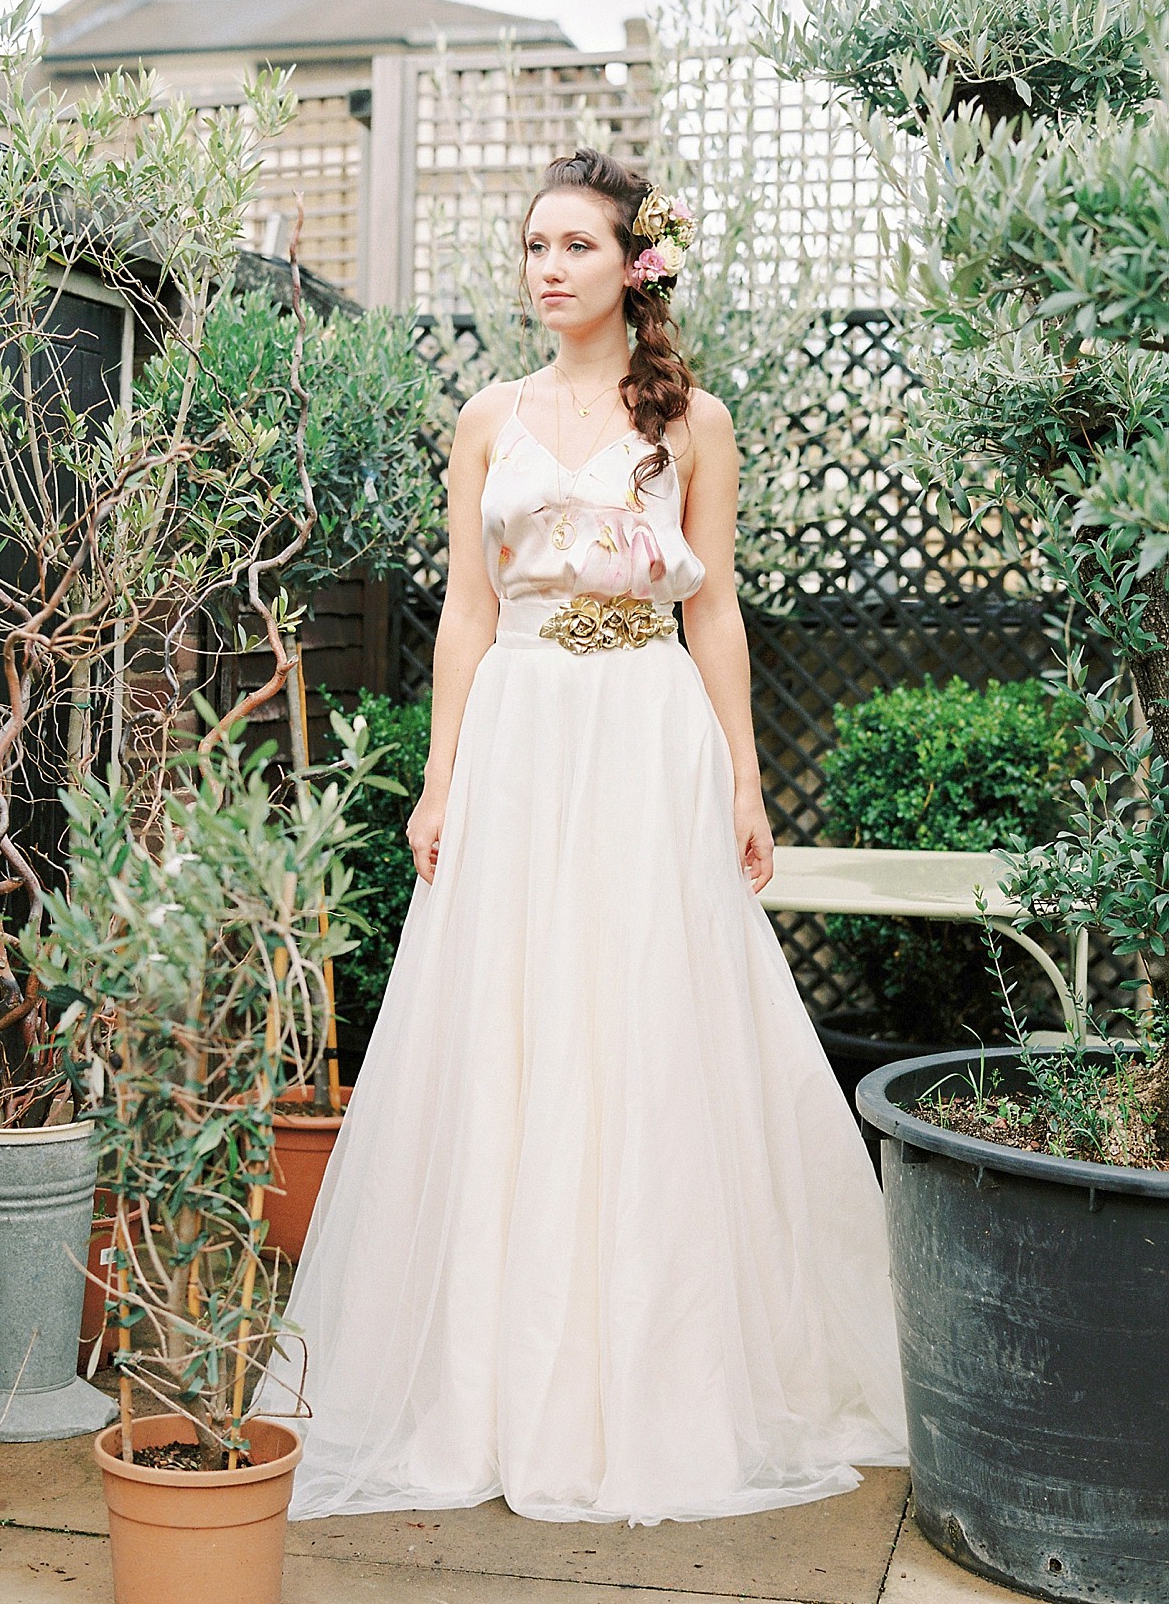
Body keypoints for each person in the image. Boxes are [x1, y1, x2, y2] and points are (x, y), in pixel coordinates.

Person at [255, 146, 908, 1526]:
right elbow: (466, 613)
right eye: (533, 246)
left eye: (575, 246)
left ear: (634, 265)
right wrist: (439, 782)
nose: (547, 268)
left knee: (647, 1030)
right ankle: (489, 1382)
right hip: (523, 733)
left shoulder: (697, 421)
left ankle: (650, 1385)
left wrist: (743, 777)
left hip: (643, 730)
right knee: (509, 1029)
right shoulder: (487, 418)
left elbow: (715, 607)